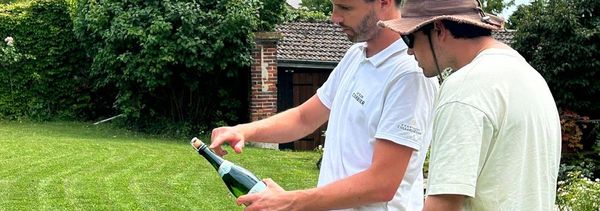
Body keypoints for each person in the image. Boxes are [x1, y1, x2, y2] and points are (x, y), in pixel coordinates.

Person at [208, 0, 438, 210]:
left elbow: (382, 183)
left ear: (384, 3)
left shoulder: (409, 74)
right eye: (333, 6)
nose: (334, 17)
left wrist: (288, 201)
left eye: (345, 8)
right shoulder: (357, 54)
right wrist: (244, 131)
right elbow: (304, 118)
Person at [378, 0, 562, 210]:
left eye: (408, 38)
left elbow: (443, 206)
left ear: (438, 29)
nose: (409, 51)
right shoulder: (530, 77)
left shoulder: (465, 88)